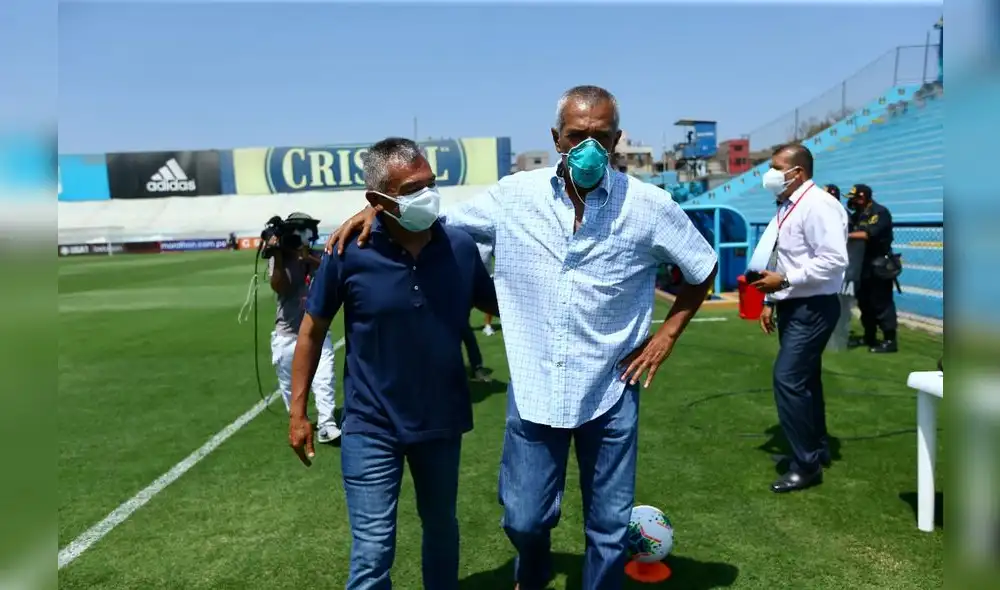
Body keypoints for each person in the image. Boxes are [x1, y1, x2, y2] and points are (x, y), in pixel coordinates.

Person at [326, 86, 718, 590]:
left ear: (618, 139)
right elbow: (430, 221)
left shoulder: (650, 206)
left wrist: (666, 336)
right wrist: (377, 210)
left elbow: (701, 267)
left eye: (602, 136)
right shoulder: (514, 197)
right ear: (557, 138)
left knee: (608, 525)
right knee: (524, 520)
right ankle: (531, 563)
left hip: (613, 386)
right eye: (577, 136)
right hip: (536, 388)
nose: (589, 147)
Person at [288, 138, 499, 589]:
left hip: (441, 422)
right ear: (378, 200)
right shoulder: (348, 252)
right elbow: (311, 330)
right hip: (370, 423)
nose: (428, 195)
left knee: (441, 527)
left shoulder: (459, 247)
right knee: (372, 550)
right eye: (412, 188)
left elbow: (506, 305)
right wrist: (298, 413)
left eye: (431, 183)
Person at [752, 143, 848, 493]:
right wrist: (770, 300)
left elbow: (834, 260)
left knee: (788, 379)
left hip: (814, 306)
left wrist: (786, 282)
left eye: (777, 168)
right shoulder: (791, 205)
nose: (771, 174)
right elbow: (783, 257)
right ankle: (817, 449)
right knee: (806, 380)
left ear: (798, 173)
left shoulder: (819, 205)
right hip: (795, 304)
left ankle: (805, 464)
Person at [267, 212, 340, 443]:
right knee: (290, 387)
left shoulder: (319, 257)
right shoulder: (278, 258)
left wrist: (308, 259)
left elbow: (334, 272)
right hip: (287, 334)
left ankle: (327, 424)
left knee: (323, 378)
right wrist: (278, 255)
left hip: (317, 330)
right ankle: (298, 421)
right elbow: (280, 287)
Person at [846, 184, 898, 353]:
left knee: (881, 303)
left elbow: (868, 234)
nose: (852, 201)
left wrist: (844, 236)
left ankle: (890, 340)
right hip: (862, 265)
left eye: (854, 198)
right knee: (864, 302)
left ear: (862, 197)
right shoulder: (857, 215)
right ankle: (869, 336)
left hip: (878, 265)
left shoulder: (880, 213)